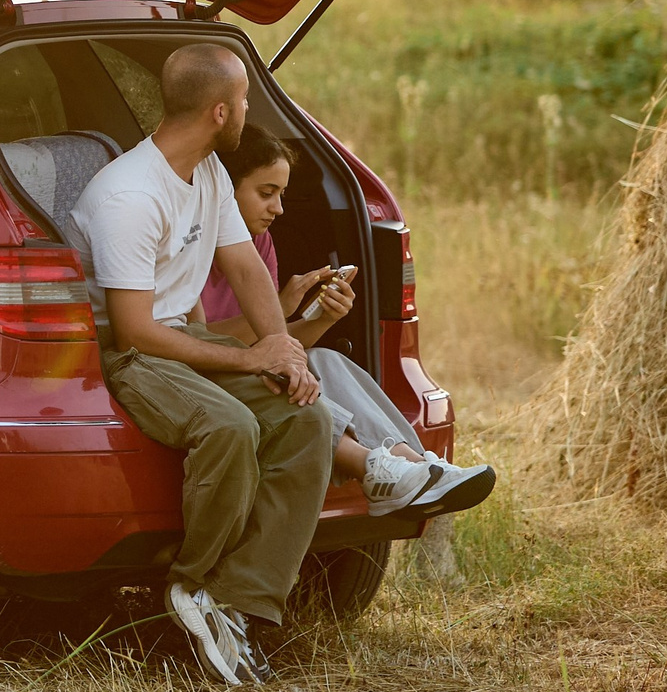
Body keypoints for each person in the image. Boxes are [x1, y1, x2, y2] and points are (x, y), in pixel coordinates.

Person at [72, 43, 332, 687]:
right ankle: (191, 586)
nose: (249, 109)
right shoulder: (131, 194)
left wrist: (285, 352)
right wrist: (246, 356)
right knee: (231, 427)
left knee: (307, 420)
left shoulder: (211, 174)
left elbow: (245, 267)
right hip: (132, 353)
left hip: (186, 339)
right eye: (244, 99)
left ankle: (238, 600)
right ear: (220, 110)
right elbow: (134, 328)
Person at [198, 125, 496, 519]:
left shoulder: (260, 244)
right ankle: (382, 470)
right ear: (223, 189)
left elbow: (276, 340)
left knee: (324, 358)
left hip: (255, 364)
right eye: (265, 193)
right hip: (210, 374)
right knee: (288, 372)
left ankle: (416, 465)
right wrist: (282, 307)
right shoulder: (191, 247)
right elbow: (198, 341)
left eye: (281, 195)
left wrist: (322, 317)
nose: (279, 209)